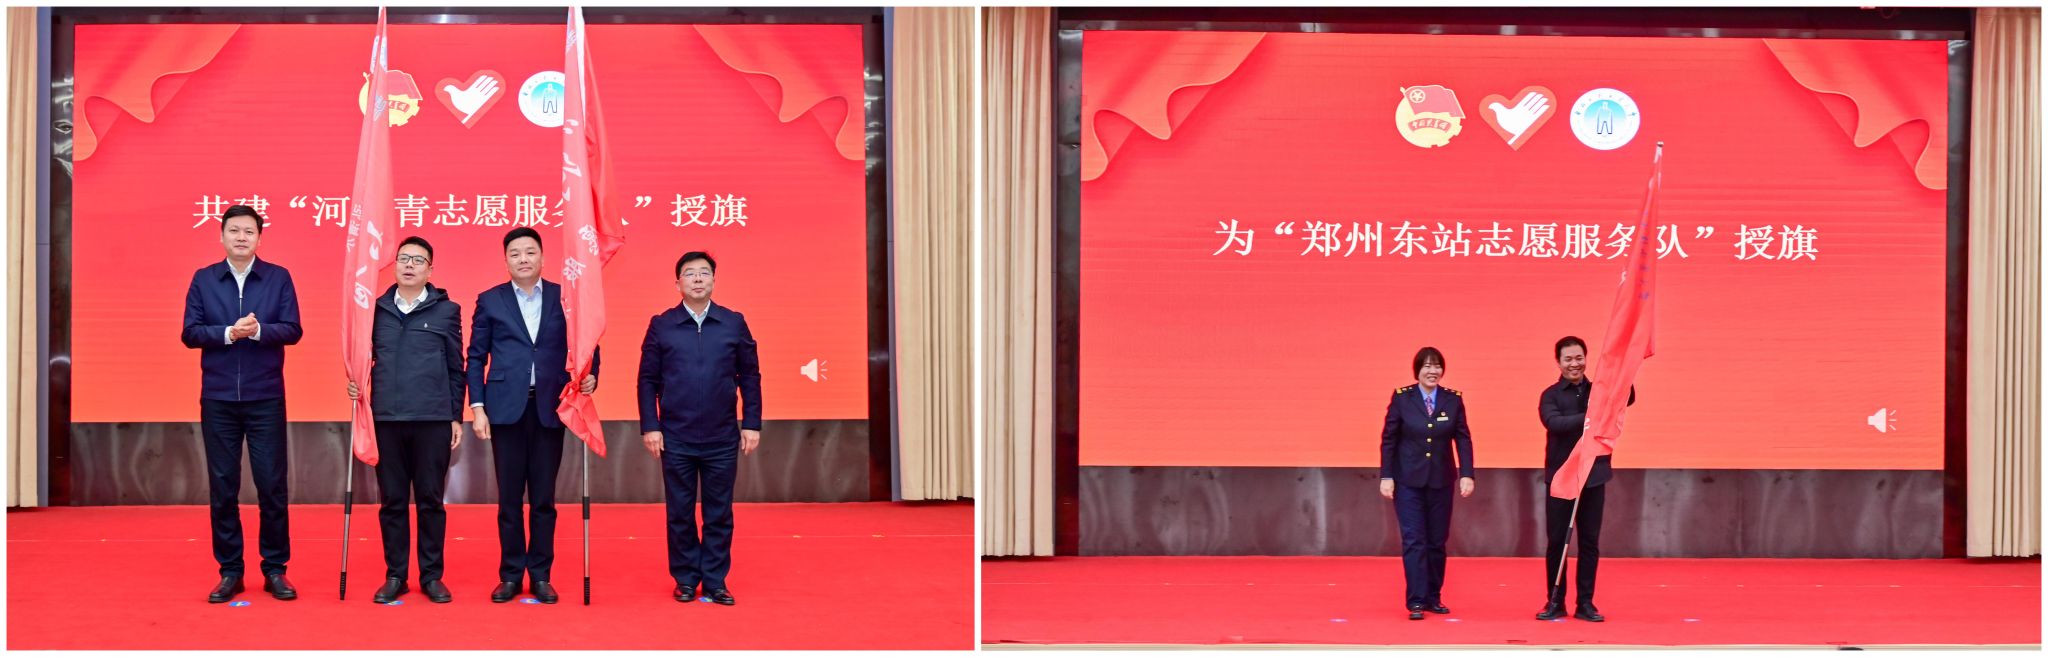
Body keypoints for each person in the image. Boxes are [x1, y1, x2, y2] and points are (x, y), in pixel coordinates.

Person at [466, 227, 599, 604]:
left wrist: (591, 375)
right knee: (509, 499)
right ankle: (510, 575)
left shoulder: (566, 297)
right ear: (505, 260)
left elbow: (588, 343)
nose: (523, 259)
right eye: (515, 253)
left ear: (542, 257)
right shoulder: (490, 300)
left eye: (530, 252)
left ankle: (540, 574)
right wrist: (478, 407)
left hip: (550, 408)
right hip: (505, 409)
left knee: (543, 498)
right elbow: (475, 357)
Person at [181, 204, 303, 603]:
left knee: (272, 485)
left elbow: (293, 329)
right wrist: (230, 333)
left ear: (259, 238)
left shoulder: (278, 277)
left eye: (249, 231)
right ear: (221, 236)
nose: (241, 237)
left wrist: (259, 331)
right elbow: (190, 333)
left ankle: (275, 569)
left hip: (265, 396)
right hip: (218, 398)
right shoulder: (204, 279)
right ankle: (230, 570)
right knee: (223, 486)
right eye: (234, 230)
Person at [638, 251, 761, 606]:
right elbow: (647, 380)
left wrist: (751, 423)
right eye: (689, 273)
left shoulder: (733, 322)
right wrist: (650, 426)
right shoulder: (662, 324)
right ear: (677, 282)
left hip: (722, 436)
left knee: (719, 512)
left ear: (713, 281)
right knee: (679, 512)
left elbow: (750, 376)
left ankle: (716, 580)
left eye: (704, 273)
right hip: (675, 436)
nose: (697, 279)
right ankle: (686, 578)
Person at [347, 236, 465, 604]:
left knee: (430, 500)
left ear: (430, 269)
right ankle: (396, 574)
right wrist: (355, 382)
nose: (409, 265)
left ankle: (431, 576)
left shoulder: (447, 311)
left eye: (418, 260)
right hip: (386, 420)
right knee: (392, 501)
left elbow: (455, 367)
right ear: (394, 265)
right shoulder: (374, 311)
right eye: (403, 258)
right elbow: (362, 359)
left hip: (432, 419)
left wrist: (455, 416)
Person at [1537, 335, 1635, 623]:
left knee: (1589, 542)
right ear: (1558, 362)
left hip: (1594, 476)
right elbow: (1554, 423)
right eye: (1568, 359)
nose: (1574, 364)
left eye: (1579, 358)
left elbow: (1627, 397)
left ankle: (1586, 603)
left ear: (1586, 359)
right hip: (1561, 479)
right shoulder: (1551, 395)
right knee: (1557, 542)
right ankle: (1555, 601)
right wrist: (1591, 418)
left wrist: (1623, 370)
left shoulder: (1599, 391)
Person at [1378, 346, 1474, 621]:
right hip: (1408, 481)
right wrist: (1386, 476)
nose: (1433, 371)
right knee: (1414, 540)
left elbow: (1463, 439)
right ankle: (1416, 600)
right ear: (1417, 370)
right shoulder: (1402, 398)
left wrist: (1467, 473)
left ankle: (1434, 597)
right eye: (1427, 366)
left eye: (1437, 366)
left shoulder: (1452, 399)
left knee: (1437, 541)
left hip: (1441, 480)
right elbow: (1389, 439)